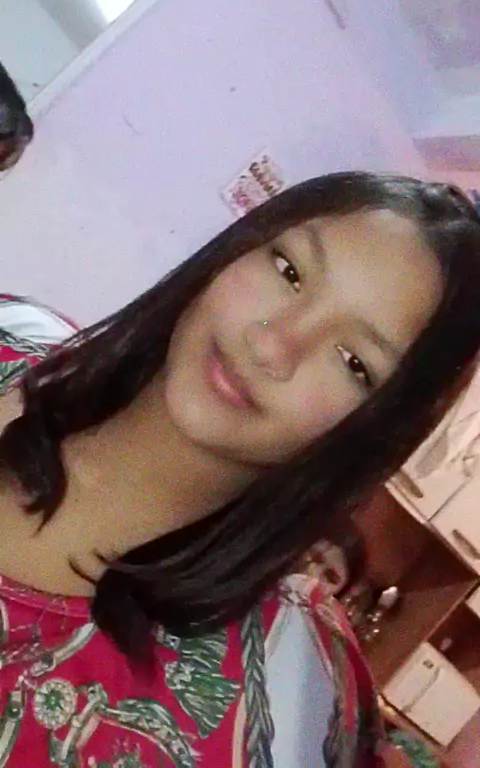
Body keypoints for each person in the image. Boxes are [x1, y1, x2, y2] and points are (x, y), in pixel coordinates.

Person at [0, 171, 478, 767]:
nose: (273, 345)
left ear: (377, 431)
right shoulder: (11, 336)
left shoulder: (270, 707)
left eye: (353, 362)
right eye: (289, 271)